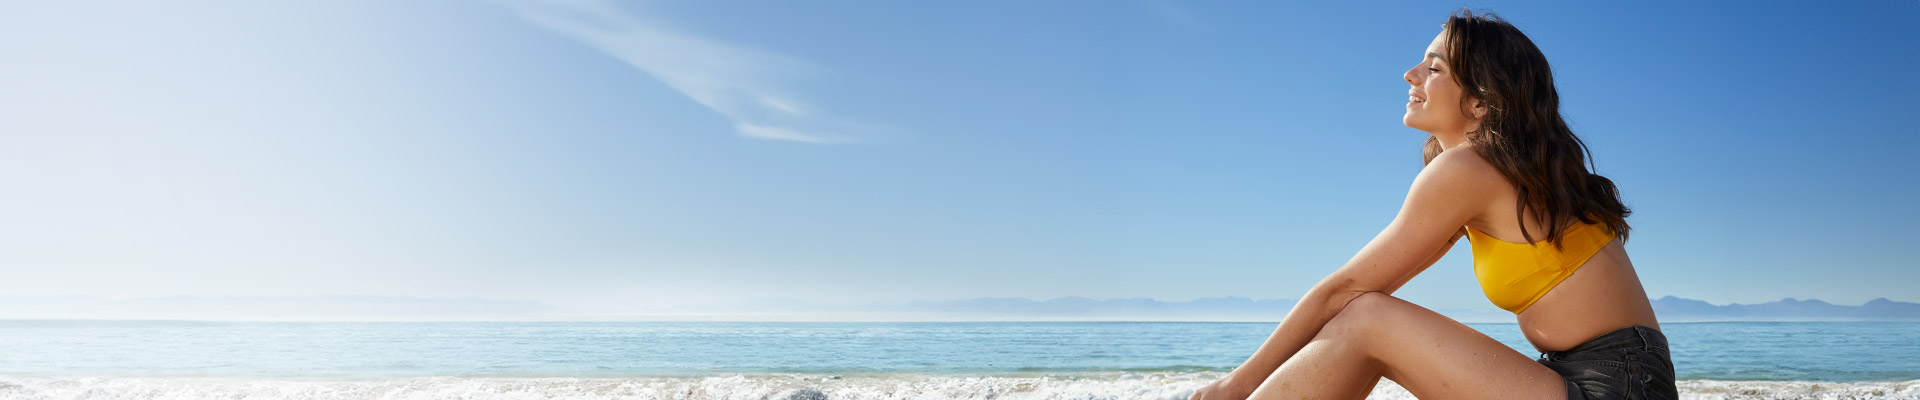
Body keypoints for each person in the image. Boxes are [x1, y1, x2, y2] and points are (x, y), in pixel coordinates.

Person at [1189, 8, 1677, 400]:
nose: (1410, 74)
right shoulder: (1499, 171)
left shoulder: (1469, 169)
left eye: (1435, 67)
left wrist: (1237, 385)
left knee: (1367, 319)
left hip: (1613, 385)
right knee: (1366, 319)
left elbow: (1346, 292)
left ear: (1482, 101)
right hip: (1612, 378)